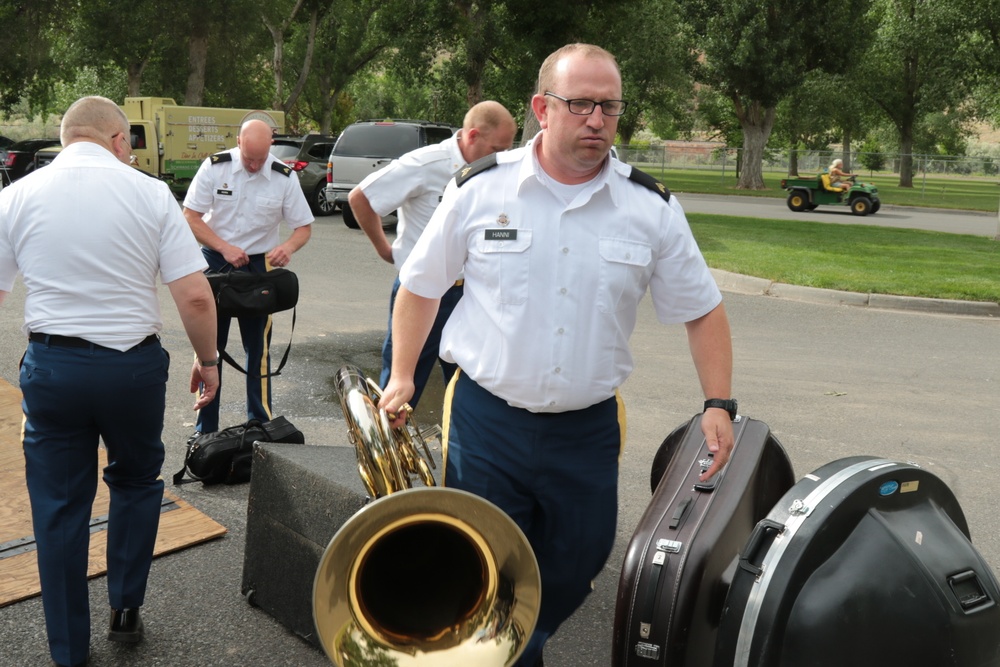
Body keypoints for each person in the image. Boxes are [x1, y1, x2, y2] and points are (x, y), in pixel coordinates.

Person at [378, 44, 736, 666]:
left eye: (609, 106)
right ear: (543, 108)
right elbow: (420, 287)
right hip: (488, 418)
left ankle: (512, 646)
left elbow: (702, 310)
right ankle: (507, 653)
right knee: (482, 559)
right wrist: (403, 376)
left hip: (587, 425)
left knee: (580, 560)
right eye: (580, 104)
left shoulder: (649, 208)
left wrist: (718, 402)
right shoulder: (479, 190)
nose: (596, 119)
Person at [0, 95, 220, 667]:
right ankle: (125, 607)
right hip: (132, 368)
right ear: (119, 139)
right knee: (136, 481)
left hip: (53, 369)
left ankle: (69, 649)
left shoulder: (16, 196)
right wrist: (209, 359)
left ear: (66, 136)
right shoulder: (149, 193)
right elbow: (194, 293)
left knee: (58, 506)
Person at [348, 101, 517, 408]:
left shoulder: (497, 172)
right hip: (424, 293)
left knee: (470, 387)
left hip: (473, 294)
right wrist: (386, 250)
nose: (504, 156)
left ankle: (460, 454)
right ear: (473, 135)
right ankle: (387, 454)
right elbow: (360, 197)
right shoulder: (425, 164)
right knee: (399, 390)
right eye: (498, 147)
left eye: (508, 148)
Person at [182, 119, 313, 440]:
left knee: (258, 349)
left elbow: (304, 227)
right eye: (249, 158)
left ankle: (259, 423)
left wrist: (287, 247)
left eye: (261, 158)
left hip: (259, 267)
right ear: (238, 141)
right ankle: (205, 430)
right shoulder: (215, 168)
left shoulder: (283, 176)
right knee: (210, 348)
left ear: (271, 144)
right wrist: (224, 248)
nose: (255, 166)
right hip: (216, 261)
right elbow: (190, 216)